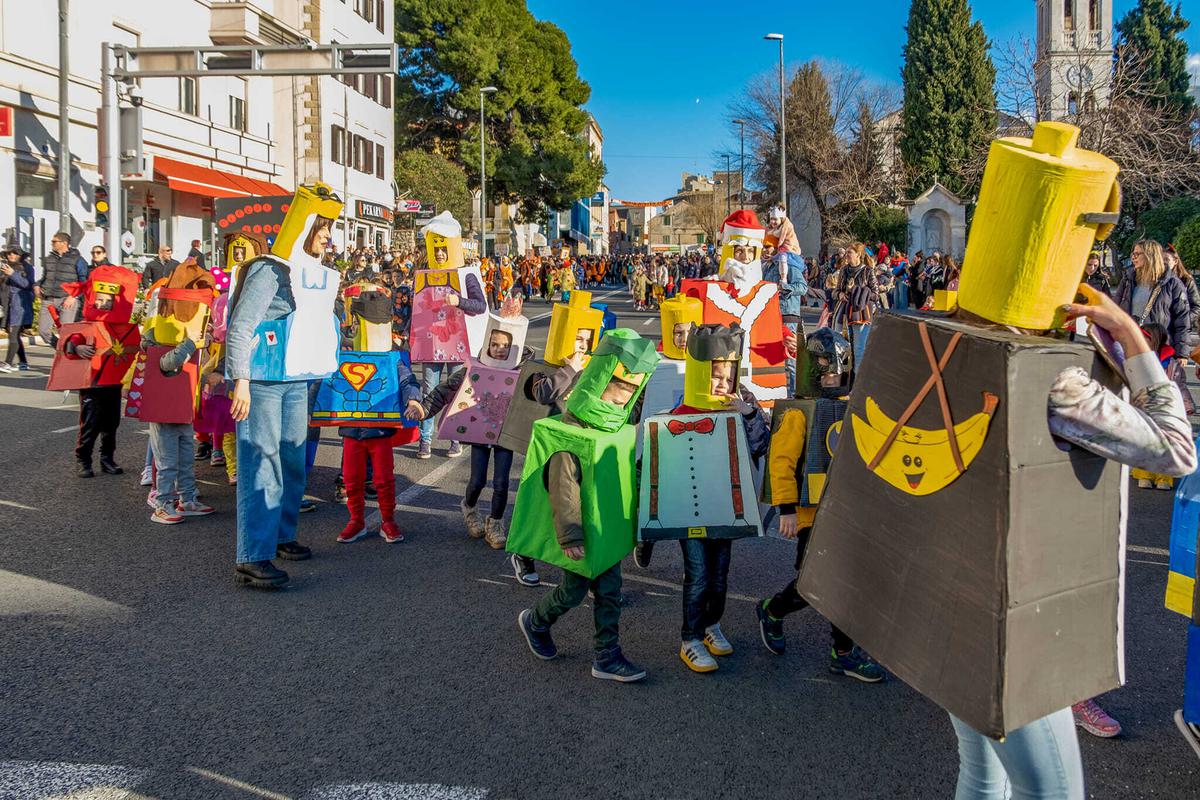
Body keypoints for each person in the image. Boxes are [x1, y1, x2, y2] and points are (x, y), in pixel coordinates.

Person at [798, 122, 1196, 800]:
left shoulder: (938, 338)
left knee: (982, 778)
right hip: (1018, 630)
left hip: (952, 611)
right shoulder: (1054, 382)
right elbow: (1176, 450)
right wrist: (1131, 340)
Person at [510, 328, 660, 682]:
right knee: (573, 591)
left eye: (626, 398)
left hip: (605, 530)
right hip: (583, 535)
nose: (618, 404)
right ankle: (536, 620)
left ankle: (606, 655)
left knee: (609, 591)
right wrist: (572, 537)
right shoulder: (570, 435)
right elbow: (563, 489)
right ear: (596, 383)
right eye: (613, 395)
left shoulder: (615, 430)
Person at [226, 182, 343, 589]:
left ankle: (281, 535)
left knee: (293, 460)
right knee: (262, 463)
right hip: (260, 382)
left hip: (297, 380)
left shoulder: (316, 274)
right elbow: (240, 326)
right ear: (304, 226)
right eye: (323, 227)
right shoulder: (268, 268)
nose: (329, 236)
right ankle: (252, 556)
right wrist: (240, 380)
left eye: (330, 228)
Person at [755, 328, 886, 682]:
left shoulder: (850, 409)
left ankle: (841, 651)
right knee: (817, 584)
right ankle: (773, 611)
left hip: (845, 511)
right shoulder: (801, 414)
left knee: (840, 580)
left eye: (839, 374)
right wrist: (785, 509)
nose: (833, 380)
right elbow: (781, 462)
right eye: (827, 373)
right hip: (811, 513)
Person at [654, 325, 770, 673]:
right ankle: (689, 637)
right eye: (715, 376)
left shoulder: (739, 410)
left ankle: (711, 624)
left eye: (728, 376)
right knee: (699, 574)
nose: (722, 383)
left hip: (724, 509)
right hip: (690, 512)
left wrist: (749, 413)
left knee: (720, 574)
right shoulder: (679, 415)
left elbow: (762, 446)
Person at [414, 298, 530, 550]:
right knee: (477, 480)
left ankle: (496, 522)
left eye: (505, 345)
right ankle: (469, 506)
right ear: (487, 342)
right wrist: (423, 408)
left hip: (505, 434)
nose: (499, 349)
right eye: (495, 344)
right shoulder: (474, 367)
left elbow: (539, 392)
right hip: (480, 431)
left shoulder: (522, 371)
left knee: (501, 483)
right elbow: (446, 389)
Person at [1113, 239, 1190, 356]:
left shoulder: (1172, 283)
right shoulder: (1128, 279)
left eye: (1137, 254)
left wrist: (1181, 353)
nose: (1133, 257)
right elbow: (1114, 309)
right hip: (1129, 342)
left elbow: (1182, 320)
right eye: (1132, 254)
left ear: (1151, 256)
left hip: (1156, 345)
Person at [37, 231, 89, 347]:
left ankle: (68, 354)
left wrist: (73, 297)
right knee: (43, 331)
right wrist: (37, 285)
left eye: (54, 241)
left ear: (64, 243)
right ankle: (62, 350)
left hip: (67, 299)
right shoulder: (49, 258)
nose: (52, 244)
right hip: (49, 299)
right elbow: (44, 277)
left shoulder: (78, 259)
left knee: (66, 332)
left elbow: (84, 281)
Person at [1, 246, 35, 372]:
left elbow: (28, 284)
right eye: (9, 253)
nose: (11, 255)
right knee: (13, 334)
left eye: (15, 253)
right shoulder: (4, 267)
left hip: (20, 305)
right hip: (7, 305)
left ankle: (8, 363)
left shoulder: (27, 267)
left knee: (14, 333)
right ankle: (23, 362)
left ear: (20, 255)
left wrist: (12, 274)